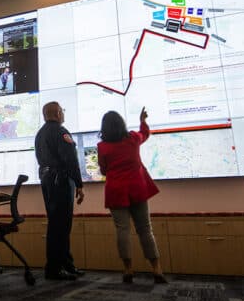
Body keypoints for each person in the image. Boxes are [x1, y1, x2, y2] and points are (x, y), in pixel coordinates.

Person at [97, 108, 166, 284]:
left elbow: (104, 170)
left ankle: (128, 269)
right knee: (145, 229)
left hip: (116, 191)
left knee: (123, 230)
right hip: (137, 189)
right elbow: (145, 133)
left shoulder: (102, 147)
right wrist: (142, 120)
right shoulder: (133, 139)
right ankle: (156, 269)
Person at [34, 101, 85, 280]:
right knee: (61, 226)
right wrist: (79, 183)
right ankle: (54, 269)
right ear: (57, 113)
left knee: (57, 224)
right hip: (61, 181)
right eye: (62, 110)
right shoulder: (61, 132)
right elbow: (70, 159)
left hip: (46, 180)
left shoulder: (39, 134)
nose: (63, 113)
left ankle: (66, 265)